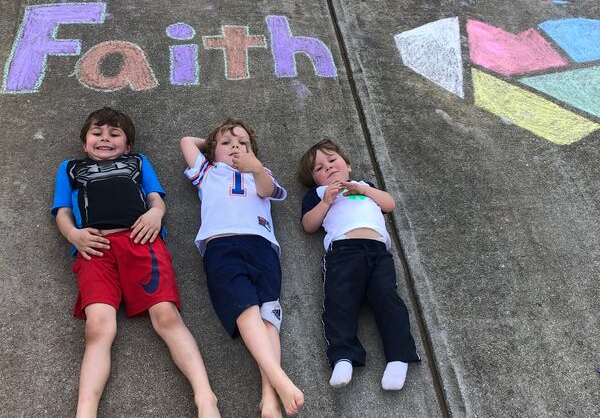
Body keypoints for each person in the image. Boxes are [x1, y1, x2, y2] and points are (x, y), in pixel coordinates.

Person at [52, 107, 219, 418]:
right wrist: (74, 236)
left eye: (114, 134)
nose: (105, 138)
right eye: (97, 134)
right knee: (98, 327)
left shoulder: (138, 162)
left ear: (127, 146)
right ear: (85, 144)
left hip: (141, 242)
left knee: (166, 316)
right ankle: (85, 411)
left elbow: (156, 197)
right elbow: (62, 212)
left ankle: (205, 397)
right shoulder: (70, 168)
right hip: (95, 249)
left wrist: (156, 214)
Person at [180, 118, 304, 418]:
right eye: (228, 143)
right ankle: (279, 378)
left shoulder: (259, 173)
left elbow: (267, 190)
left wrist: (254, 165)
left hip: (262, 245)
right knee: (245, 309)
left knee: (269, 317)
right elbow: (186, 141)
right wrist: (214, 145)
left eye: (243, 143)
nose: (235, 146)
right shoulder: (208, 172)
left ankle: (268, 399)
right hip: (221, 245)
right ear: (213, 152)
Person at [298, 139, 420, 390]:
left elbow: (389, 204)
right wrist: (326, 202)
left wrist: (364, 190)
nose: (328, 168)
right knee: (339, 302)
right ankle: (343, 356)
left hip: (377, 251)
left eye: (332, 160)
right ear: (315, 180)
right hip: (343, 252)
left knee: (388, 299)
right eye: (319, 168)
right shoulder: (318, 194)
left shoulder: (366, 186)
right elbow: (308, 225)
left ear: (348, 165)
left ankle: (398, 357)